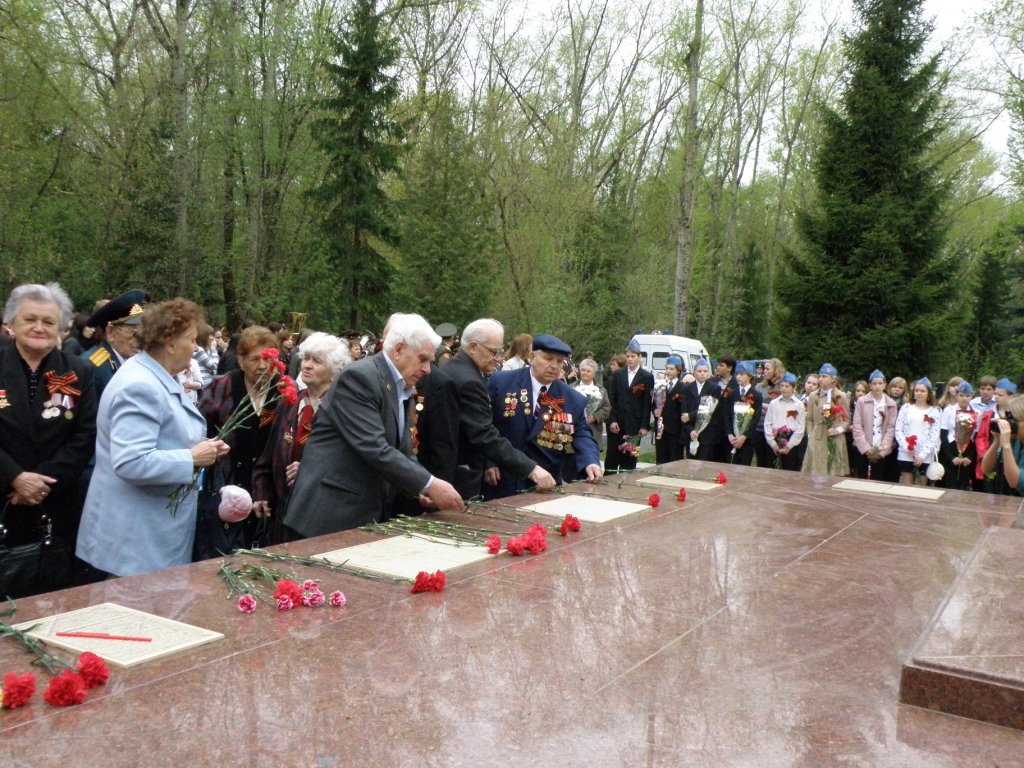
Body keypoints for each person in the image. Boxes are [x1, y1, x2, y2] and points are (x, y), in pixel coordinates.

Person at [76, 299, 230, 577]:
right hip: (135, 542)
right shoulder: (140, 385)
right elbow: (131, 462)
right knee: (133, 618)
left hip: (148, 535)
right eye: (191, 340)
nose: (196, 348)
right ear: (170, 342)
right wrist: (192, 457)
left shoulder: (157, 375)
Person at [284, 314, 464, 538]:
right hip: (326, 517)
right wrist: (429, 483)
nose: (428, 369)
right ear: (398, 349)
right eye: (423, 359)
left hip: (358, 514)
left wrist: (421, 487)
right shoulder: (360, 378)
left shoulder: (400, 383)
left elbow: (402, 448)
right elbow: (375, 448)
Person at [0, 283, 98, 594]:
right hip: (3, 497)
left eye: (48, 321)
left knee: (51, 599)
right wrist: (14, 477)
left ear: (63, 327)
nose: (39, 328)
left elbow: (85, 434)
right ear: (11, 322)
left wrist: (40, 483)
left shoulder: (79, 371)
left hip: (54, 504)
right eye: (30, 319)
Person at [417, 319, 555, 500]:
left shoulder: (454, 368)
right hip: (456, 477)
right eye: (494, 351)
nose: (499, 357)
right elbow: (484, 435)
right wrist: (531, 469)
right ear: (473, 346)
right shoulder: (469, 381)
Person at [252, 333, 351, 544]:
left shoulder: (344, 410)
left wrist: (310, 470)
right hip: (281, 514)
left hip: (319, 518)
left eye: (317, 361)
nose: (307, 365)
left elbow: (348, 464)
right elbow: (269, 454)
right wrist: (261, 491)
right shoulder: (290, 403)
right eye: (306, 358)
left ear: (335, 373)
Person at [484, 334, 602, 497]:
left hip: (546, 483)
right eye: (548, 359)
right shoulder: (502, 382)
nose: (554, 366)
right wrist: (488, 462)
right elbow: (485, 426)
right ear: (532, 357)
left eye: (559, 361)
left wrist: (590, 461)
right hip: (503, 477)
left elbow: (582, 433)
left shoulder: (572, 399)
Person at [199, 326, 282, 549]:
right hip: (228, 484)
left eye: (268, 359)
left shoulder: (283, 391)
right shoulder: (221, 387)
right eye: (255, 359)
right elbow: (201, 430)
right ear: (241, 360)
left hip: (267, 490)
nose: (262, 366)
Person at [81, 289, 149, 400]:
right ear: (111, 332)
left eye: (142, 331)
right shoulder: (92, 368)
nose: (140, 339)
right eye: (133, 332)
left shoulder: (122, 360)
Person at [605, 339, 654, 473]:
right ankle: (609, 480)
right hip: (618, 423)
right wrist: (612, 419)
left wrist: (644, 425)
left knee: (630, 456)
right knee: (613, 456)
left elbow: (647, 402)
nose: (630, 359)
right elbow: (611, 398)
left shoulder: (647, 377)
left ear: (640, 358)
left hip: (634, 423)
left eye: (633, 356)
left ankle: (627, 480)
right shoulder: (618, 375)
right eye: (628, 356)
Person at [802, 364, 850, 476]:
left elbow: (847, 420)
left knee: (833, 471)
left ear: (833, 379)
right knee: (816, 471)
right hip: (817, 438)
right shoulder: (814, 395)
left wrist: (837, 430)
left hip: (834, 438)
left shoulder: (841, 396)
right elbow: (809, 419)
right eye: (819, 376)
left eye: (824, 376)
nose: (820, 379)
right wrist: (810, 435)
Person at [851, 370, 898, 481]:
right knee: (861, 479)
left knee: (878, 479)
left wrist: (882, 450)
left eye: (880, 383)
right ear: (870, 385)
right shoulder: (862, 401)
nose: (877, 386)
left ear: (885, 385)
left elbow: (891, 428)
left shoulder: (891, 404)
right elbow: (857, 425)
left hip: (880, 448)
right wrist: (866, 448)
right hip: (862, 447)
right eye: (874, 384)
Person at [894, 377, 941, 486]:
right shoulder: (906, 408)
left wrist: (922, 455)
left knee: (921, 487)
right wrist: (907, 447)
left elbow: (934, 435)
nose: (919, 393)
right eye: (916, 390)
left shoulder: (934, 411)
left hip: (924, 455)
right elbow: (898, 429)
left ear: (929, 393)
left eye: (922, 391)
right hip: (906, 453)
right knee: (907, 486)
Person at [980, 395, 1024, 496]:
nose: (1010, 425)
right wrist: (997, 441)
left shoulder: (1010, 442)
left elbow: (1015, 482)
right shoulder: (1015, 439)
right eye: (1008, 420)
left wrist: (1006, 445)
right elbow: (986, 469)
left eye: (1014, 421)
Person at [940, 381, 977, 491]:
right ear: (956, 395)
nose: (964, 398)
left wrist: (970, 457)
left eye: (967, 395)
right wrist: (951, 457)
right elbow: (943, 435)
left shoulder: (976, 412)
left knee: (964, 484)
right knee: (949, 482)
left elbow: (977, 436)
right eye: (961, 395)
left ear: (972, 396)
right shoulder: (948, 410)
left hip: (968, 449)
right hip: (951, 447)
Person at [684, 358, 723, 461]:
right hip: (691, 432)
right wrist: (690, 430)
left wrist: (690, 416)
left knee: (705, 462)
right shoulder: (687, 388)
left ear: (709, 373)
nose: (702, 374)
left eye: (705, 371)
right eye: (699, 371)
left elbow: (709, 410)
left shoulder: (714, 388)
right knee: (691, 462)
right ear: (694, 373)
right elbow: (684, 412)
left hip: (707, 433)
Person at [764, 372, 805, 471]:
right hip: (775, 438)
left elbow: (800, 428)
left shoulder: (799, 405)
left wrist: (789, 445)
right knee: (773, 470)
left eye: (787, 386)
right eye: (782, 386)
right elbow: (767, 423)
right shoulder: (773, 403)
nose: (784, 388)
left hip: (791, 440)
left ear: (793, 387)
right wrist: (772, 443)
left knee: (789, 471)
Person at [725, 361, 762, 465]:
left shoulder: (756, 395)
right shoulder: (732, 393)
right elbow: (727, 415)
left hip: (747, 440)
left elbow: (755, 418)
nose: (738, 377)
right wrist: (730, 434)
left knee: (744, 467)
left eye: (741, 374)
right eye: (737, 374)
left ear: (749, 376)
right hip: (732, 439)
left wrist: (744, 436)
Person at [754, 359, 785, 469]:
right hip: (759, 428)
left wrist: (763, 406)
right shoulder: (759, 387)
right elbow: (754, 407)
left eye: (767, 369)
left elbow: (780, 410)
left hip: (775, 431)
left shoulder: (782, 388)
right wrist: (767, 408)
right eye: (764, 369)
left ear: (776, 370)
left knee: (772, 462)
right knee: (761, 462)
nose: (764, 372)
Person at [655, 356, 686, 464]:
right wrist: (655, 411)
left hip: (675, 429)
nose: (668, 371)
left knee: (675, 458)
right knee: (661, 458)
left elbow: (684, 408)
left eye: (671, 369)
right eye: (667, 368)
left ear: (678, 370)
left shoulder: (683, 387)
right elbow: (654, 403)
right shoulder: (660, 385)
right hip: (661, 428)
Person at [574, 359, 610, 449]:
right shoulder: (571, 388)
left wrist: (594, 417)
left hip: (594, 431)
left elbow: (607, 408)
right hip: (574, 432)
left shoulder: (601, 390)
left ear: (594, 374)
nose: (585, 373)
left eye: (588, 371)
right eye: (583, 370)